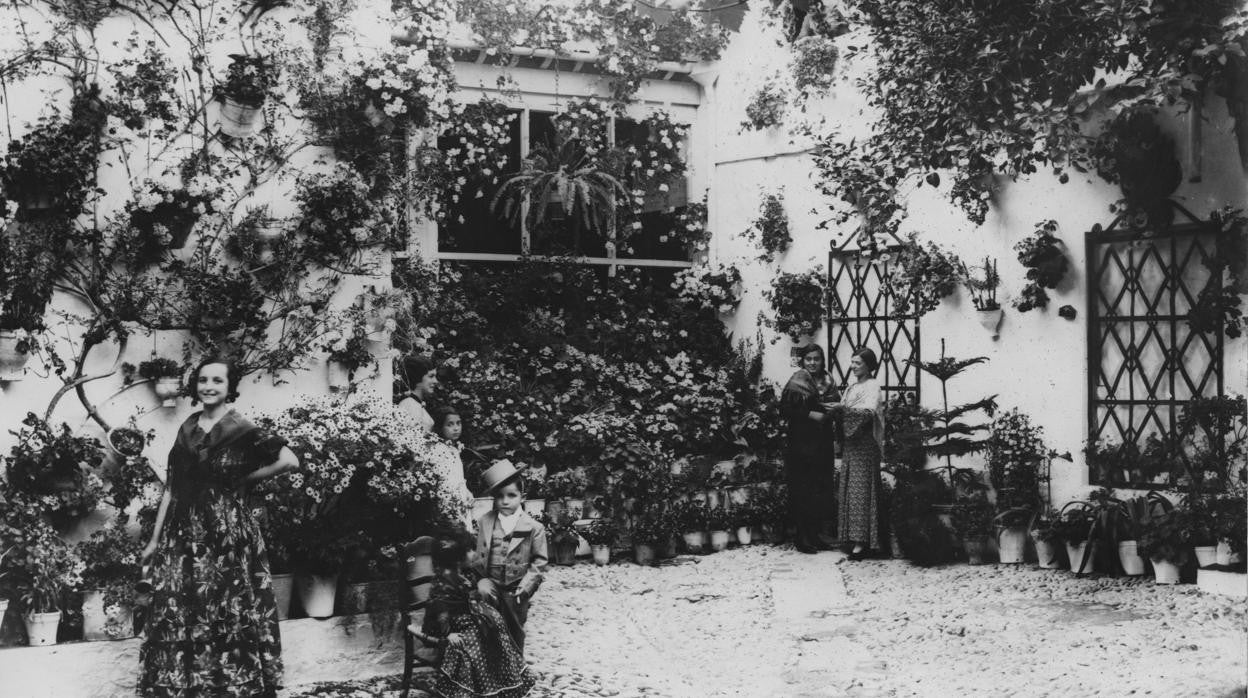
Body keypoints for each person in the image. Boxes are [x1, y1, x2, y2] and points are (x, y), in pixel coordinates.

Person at [138, 356, 300, 697]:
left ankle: (230, 685)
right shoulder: (188, 427)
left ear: (230, 388)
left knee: (227, 605)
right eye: (203, 380)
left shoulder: (243, 429)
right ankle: (192, 684)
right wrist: (154, 540)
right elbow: (172, 487)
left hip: (226, 533)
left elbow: (289, 460)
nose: (208, 387)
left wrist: (244, 477)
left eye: (217, 381)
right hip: (183, 535)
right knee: (184, 607)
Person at [418, 527, 534, 698]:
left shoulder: (465, 573)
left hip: (475, 617)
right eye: (470, 550)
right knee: (474, 645)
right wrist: (447, 633)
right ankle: (473, 689)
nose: (474, 553)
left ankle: (500, 682)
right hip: (459, 623)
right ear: (456, 558)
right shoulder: (443, 581)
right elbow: (440, 609)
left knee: (498, 636)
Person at [472, 460, 547, 653]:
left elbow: (539, 561)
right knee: (488, 621)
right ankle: (491, 662)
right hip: (491, 583)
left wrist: (527, 586)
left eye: (511, 495)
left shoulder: (532, 527)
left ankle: (515, 668)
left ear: (522, 497)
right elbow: (478, 552)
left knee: (515, 629)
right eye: (500, 497)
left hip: (516, 586)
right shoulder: (485, 522)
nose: (505, 501)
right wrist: (478, 578)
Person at [779, 343, 840, 554]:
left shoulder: (828, 381)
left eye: (817, 359)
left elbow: (836, 404)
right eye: (809, 359)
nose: (813, 363)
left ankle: (815, 535)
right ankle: (802, 538)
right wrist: (809, 415)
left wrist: (831, 413)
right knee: (803, 488)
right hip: (801, 442)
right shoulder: (797, 380)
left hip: (822, 441)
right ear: (803, 362)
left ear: (823, 361)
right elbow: (784, 409)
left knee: (820, 487)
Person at [826, 347, 885, 561]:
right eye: (851, 362)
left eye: (857, 363)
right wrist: (836, 409)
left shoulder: (873, 386)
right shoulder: (851, 386)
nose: (853, 366)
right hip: (851, 444)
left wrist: (842, 411)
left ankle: (863, 542)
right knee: (849, 488)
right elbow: (845, 409)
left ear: (869, 365)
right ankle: (850, 537)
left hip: (864, 444)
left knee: (861, 489)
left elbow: (868, 413)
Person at [431, 406, 474, 526]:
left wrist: (467, 493)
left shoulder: (454, 450)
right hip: (447, 499)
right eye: (450, 424)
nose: (456, 428)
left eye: (458, 423)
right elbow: (441, 478)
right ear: (441, 427)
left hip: (460, 499)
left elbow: (458, 478)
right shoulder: (437, 449)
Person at [396, 354, 438, 433]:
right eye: (431, 376)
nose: (436, 381)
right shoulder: (409, 404)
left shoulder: (415, 403)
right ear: (418, 377)